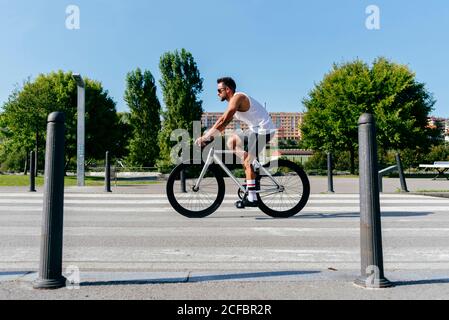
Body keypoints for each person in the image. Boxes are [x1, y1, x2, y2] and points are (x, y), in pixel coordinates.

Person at [195, 77, 277, 208]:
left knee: (247, 162)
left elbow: (223, 120)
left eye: (219, 90)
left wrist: (207, 137)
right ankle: (251, 168)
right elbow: (223, 123)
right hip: (254, 130)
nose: (217, 93)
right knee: (231, 142)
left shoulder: (238, 98)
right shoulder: (232, 102)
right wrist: (209, 136)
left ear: (227, 89)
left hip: (264, 130)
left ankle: (252, 198)